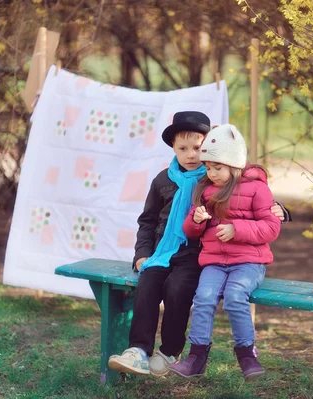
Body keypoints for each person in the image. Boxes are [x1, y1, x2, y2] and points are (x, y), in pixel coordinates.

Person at [108, 112, 289, 377]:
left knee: (178, 287)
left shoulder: (213, 177)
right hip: (163, 252)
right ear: (173, 149)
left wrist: (282, 209)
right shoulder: (164, 180)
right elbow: (147, 220)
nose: (191, 155)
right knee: (147, 283)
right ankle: (138, 350)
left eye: (197, 148)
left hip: (197, 254)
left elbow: (251, 192)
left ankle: (170, 349)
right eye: (183, 149)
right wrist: (142, 253)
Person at [169, 124, 280, 382]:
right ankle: (196, 357)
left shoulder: (257, 189)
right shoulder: (205, 191)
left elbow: (271, 228)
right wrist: (196, 219)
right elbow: (190, 231)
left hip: (249, 262)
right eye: (208, 167)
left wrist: (236, 229)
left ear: (234, 164)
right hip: (215, 262)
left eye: (217, 167)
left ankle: (247, 354)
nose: (211, 173)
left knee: (234, 296)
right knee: (204, 298)